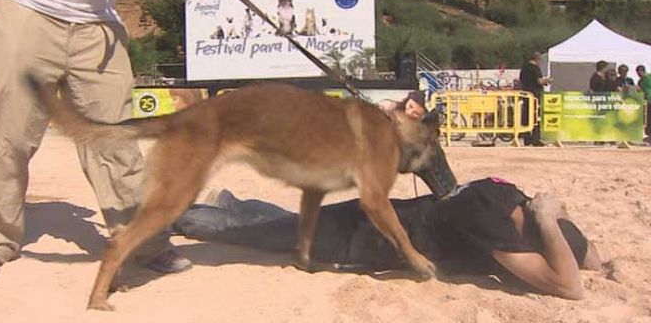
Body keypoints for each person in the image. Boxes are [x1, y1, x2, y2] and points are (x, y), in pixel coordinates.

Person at [0, 0, 191, 279]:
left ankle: (144, 241)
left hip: (97, 22)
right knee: (7, 130)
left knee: (117, 138)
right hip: (27, 6)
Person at [173, 177, 602, 300]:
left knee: (287, 224)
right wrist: (550, 222)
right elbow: (569, 287)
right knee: (256, 236)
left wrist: (554, 215)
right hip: (363, 240)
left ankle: (229, 199)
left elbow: (588, 258)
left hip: (382, 216)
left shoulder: (508, 195)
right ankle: (175, 216)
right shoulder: (491, 220)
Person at [518, 52, 550, 146]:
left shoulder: (524, 68)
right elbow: (539, 81)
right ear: (538, 59)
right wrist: (546, 81)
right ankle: (536, 139)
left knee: (526, 116)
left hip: (525, 94)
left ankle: (527, 138)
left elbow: (521, 80)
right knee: (536, 117)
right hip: (535, 95)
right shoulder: (535, 68)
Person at [636, 65, 651, 143]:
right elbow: (640, 91)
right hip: (646, 102)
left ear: (642, 71)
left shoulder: (649, 77)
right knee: (647, 119)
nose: (638, 75)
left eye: (639, 73)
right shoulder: (640, 81)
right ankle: (649, 135)